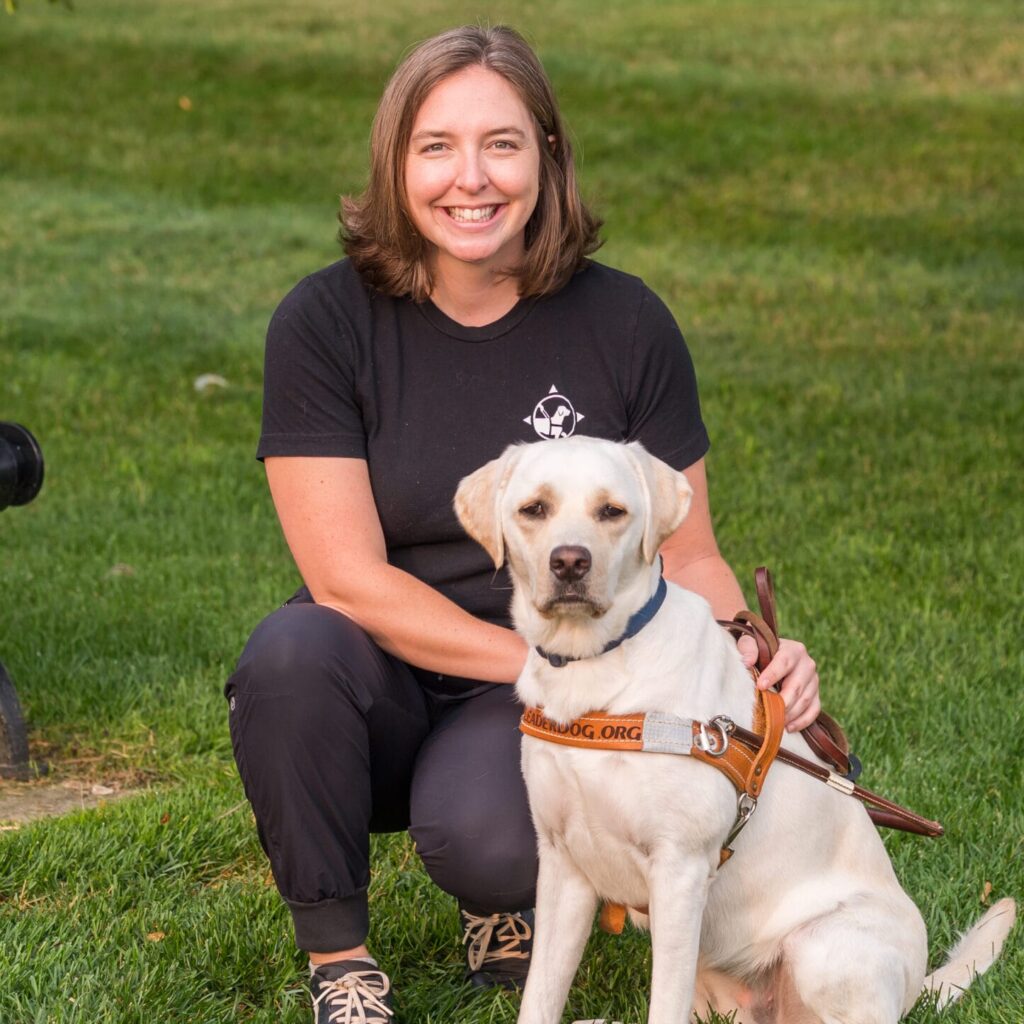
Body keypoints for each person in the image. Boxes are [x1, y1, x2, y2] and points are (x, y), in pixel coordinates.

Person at [225, 24, 821, 1024]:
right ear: (395, 162)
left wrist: (751, 659)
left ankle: (498, 902)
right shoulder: (324, 324)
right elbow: (345, 579)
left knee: (494, 841)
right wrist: (536, 662)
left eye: (502, 143)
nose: (472, 178)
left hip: (555, 678)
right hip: (379, 665)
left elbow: (689, 548)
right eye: (436, 146)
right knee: (291, 653)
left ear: (547, 156)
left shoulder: (625, 324)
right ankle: (342, 962)